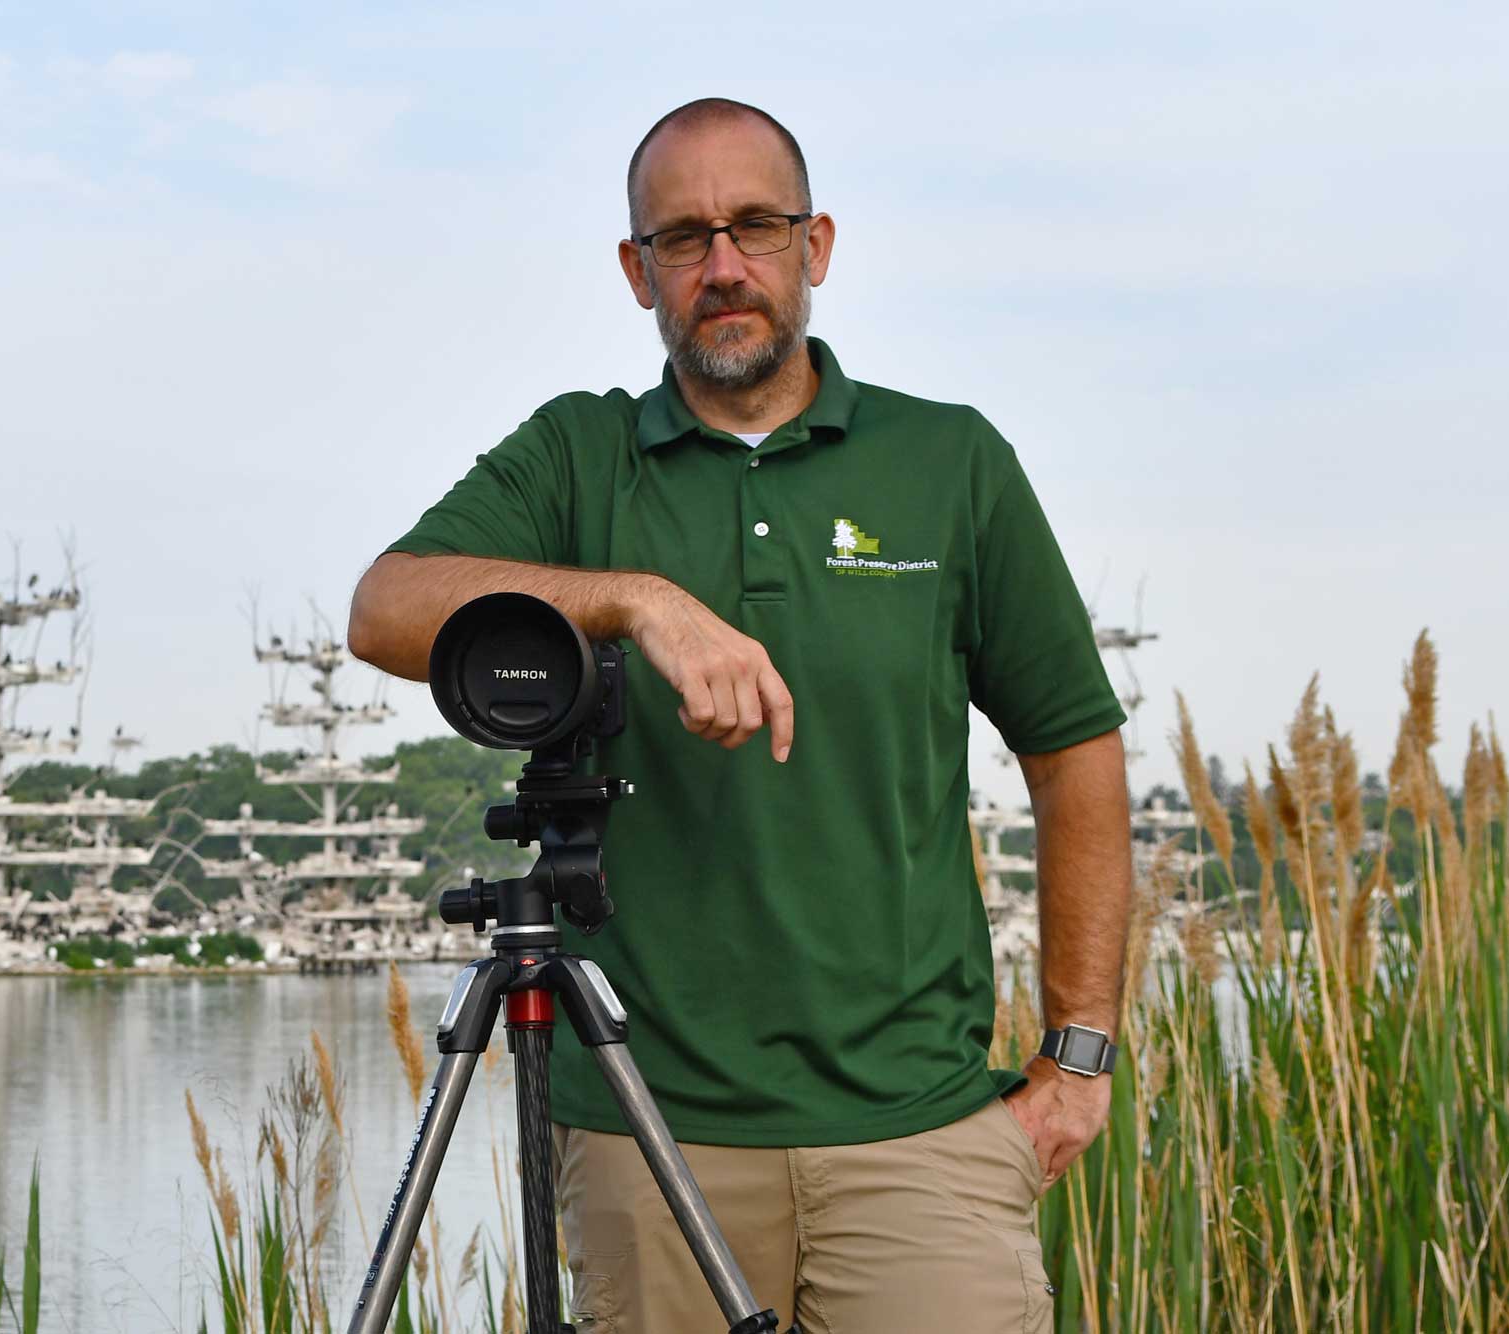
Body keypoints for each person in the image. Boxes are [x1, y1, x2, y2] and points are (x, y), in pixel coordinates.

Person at [347, 97, 1130, 1334]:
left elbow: (1074, 746)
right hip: (646, 1131)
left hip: (916, 1131)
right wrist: (635, 602)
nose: (722, 267)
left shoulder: (949, 462)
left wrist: (1076, 1058)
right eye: (682, 237)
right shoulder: (576, 455)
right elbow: (386, 606)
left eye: (755, 228)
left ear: (814, 247)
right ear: (635, 269)